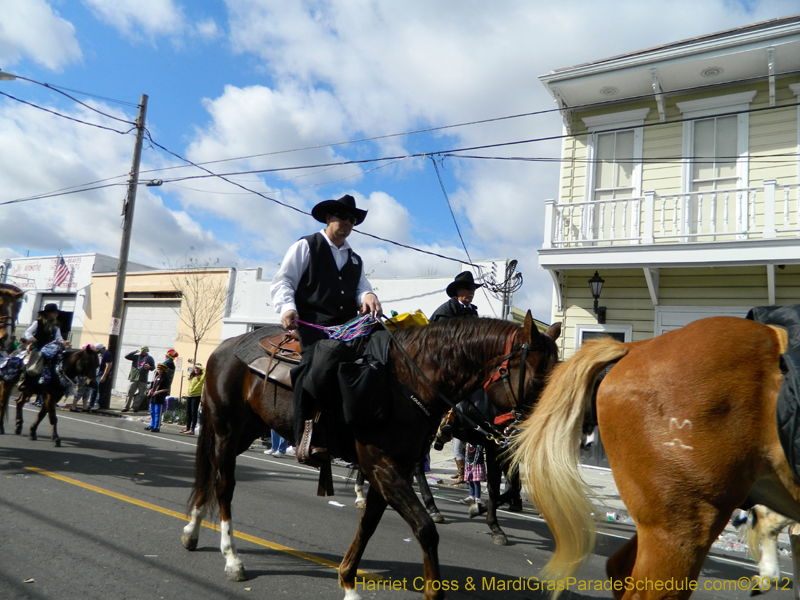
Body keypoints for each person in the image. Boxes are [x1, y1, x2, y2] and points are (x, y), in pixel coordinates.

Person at [270, 194, 381, 466]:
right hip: (313, 325)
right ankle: (305, 437)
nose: (347, 223)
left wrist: (367, 296)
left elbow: (360, 288)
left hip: (347, 329)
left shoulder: (355, 259)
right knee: (316, 365)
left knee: (379, 358)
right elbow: (283, 281)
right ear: (328, 218)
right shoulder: (307, 246)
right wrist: (287, 308)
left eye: (352, 220)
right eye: (342, 217)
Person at [430, 272, 483, 482]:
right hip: (445, 361)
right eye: (467, 289)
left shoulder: (473, 312)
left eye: (473, 289)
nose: (471, 292)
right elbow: (441, 340)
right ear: (458, 291)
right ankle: (445, 419)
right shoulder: (446, 311)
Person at [18, 303, 67, 391]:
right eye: (53, 312)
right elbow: (28, 332)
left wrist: (62, 341)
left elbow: (58, 337)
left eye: (56, 313)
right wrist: (32, 338)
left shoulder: (56, 326)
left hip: (49, 349)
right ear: (47, 313)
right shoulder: (38, 322)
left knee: (57, 362)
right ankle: (24, 381)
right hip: (38, 347)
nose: (55, 314)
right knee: (33, 364)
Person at [122, 347, 155, 412]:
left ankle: (135, 407)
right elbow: (126, 356)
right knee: (130, 393)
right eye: (142, 350)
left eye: (144, 351)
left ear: (147, 351)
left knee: (141, 394)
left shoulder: (149, 358)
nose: (143, 352)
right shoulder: (136, 357)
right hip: (134, 378)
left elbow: (153, 367)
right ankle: (126, 407)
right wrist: (134, 352)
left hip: (143, 379)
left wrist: (149, 367)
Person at [145, 363, 172, 432]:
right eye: (158, 369)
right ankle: (152, 425)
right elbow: (154, 385)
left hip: (159, 397)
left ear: (163, 370)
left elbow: (167, 389)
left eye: (159, 369)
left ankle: (156, 427)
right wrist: (151, 390)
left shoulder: (165, 378)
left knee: (157, 412)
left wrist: (159, 391)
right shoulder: (157, 377)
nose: (158, 370)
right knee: (152, 411)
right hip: (153, 396)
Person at [181, 363, 205, 435]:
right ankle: (187, 428)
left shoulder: (201, 377)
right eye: (195, 368)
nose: (196, 369)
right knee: (188, 412)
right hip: (189, 395)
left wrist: (201, 367)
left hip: (196, 396)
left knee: (193, 412)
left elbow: (205, 371)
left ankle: (192, 429)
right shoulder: (192, 376)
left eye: (197, 368)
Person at [462, 443, 486, 510]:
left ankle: (477, 498)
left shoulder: (479, 446)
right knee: (470, 481)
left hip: (477, 464)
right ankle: (471, 496)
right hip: (469, 464)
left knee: (476, 481)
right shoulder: (467, 445)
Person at [90, 342, 113, 411]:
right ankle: (91, 404)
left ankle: (97, 404)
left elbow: (108, 365)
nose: (96, 350)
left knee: (99, 390)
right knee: (93, 389)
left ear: (101, 349)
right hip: (96, 373)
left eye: (97, 349)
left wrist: (104, 376)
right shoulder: (98, 354)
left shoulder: (107, 354)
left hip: (101, 374)